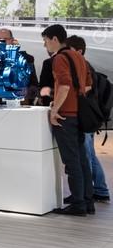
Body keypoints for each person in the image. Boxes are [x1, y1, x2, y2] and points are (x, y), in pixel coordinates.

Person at [42, 24, 94, 216]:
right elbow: (88, 84)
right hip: (79, 114)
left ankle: (78, 204)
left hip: (66, 115)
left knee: (71, 161)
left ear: (55, 39)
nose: (45, 45)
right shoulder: (79, 56)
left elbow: (63, 86)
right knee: (81, 160)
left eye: (46, 40)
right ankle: (87, 201)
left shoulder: (59, 59)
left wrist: (55, 110)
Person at [66, 35, 110, 203]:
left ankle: (90, 192)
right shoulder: (85, 66)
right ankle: (99, 189)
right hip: (90, 117)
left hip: (85, 117)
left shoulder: (83, 67)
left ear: (79, 51)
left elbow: (84, 90)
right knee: (89, 155)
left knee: (86, 155)